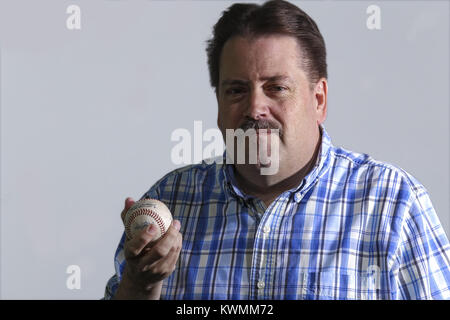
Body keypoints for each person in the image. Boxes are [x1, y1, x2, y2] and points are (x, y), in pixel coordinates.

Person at [103, 0, 450, 300]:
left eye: (277, 88)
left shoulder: (393, 205)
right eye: (237, 90)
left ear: (319, 100)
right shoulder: (170, 200)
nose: (255, 108)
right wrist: (140, 285)